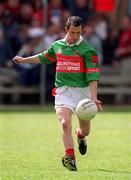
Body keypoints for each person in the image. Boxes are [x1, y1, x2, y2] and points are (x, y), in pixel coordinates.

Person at [12, 16, 102, 171]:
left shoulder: (88, 51)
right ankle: (70, 158)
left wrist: (93, 98)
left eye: (78, 33)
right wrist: (24, 60)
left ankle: (80, 136)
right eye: (72, 32)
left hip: (83, 94)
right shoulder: (57, 46)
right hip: (63, 91)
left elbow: (93, 76)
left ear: (82, 31)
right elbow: (43, 57)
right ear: (66, 29)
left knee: (85, 130)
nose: (75, 36)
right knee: (65, 123)